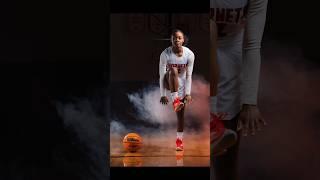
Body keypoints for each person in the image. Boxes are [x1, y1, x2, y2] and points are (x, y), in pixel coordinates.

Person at [210, 0, 268, 179]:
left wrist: (249, 101)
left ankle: (213, 126)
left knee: (225, 170)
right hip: (191, 68)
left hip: (230, 77)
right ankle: (211, 125)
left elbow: (252, 45)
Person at [159, 29, 195, 151]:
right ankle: (175, 101)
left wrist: (188, 93)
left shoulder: (189, 54)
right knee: (173, 70)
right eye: (174, 38)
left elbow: (189, 75)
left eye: (179, 37)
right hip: (168, 81)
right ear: (171, 40)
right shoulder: (165, 54)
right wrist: (163, 94)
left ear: (183, 40)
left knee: (180, 117)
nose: (177, 40)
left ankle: (179, 141)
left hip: (181, 85)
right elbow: (161, 75)